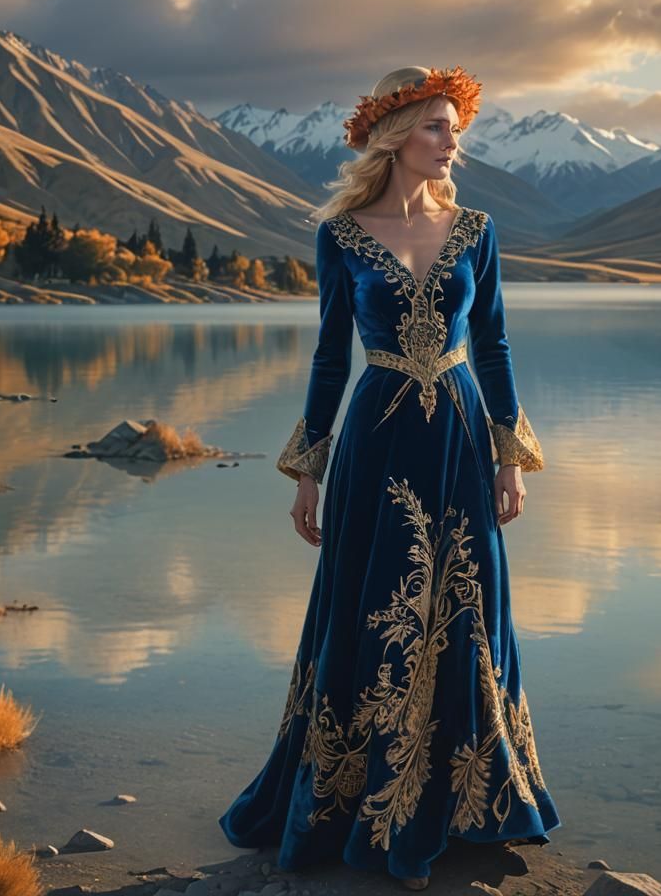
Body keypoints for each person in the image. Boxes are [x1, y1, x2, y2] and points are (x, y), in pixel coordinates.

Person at [219, 65, 562, 890]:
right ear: (395, 135)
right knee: (370, 607)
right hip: (374, 439)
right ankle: (359, 802)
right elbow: (330, 356)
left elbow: (494, 346)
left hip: (460, 437)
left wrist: (510, 457)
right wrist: (308, 470)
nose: (453, 143)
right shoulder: (340, 235)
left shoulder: (476, 230)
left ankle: (472, 802)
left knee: (467, 608)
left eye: (456, 129)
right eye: (438, 127)